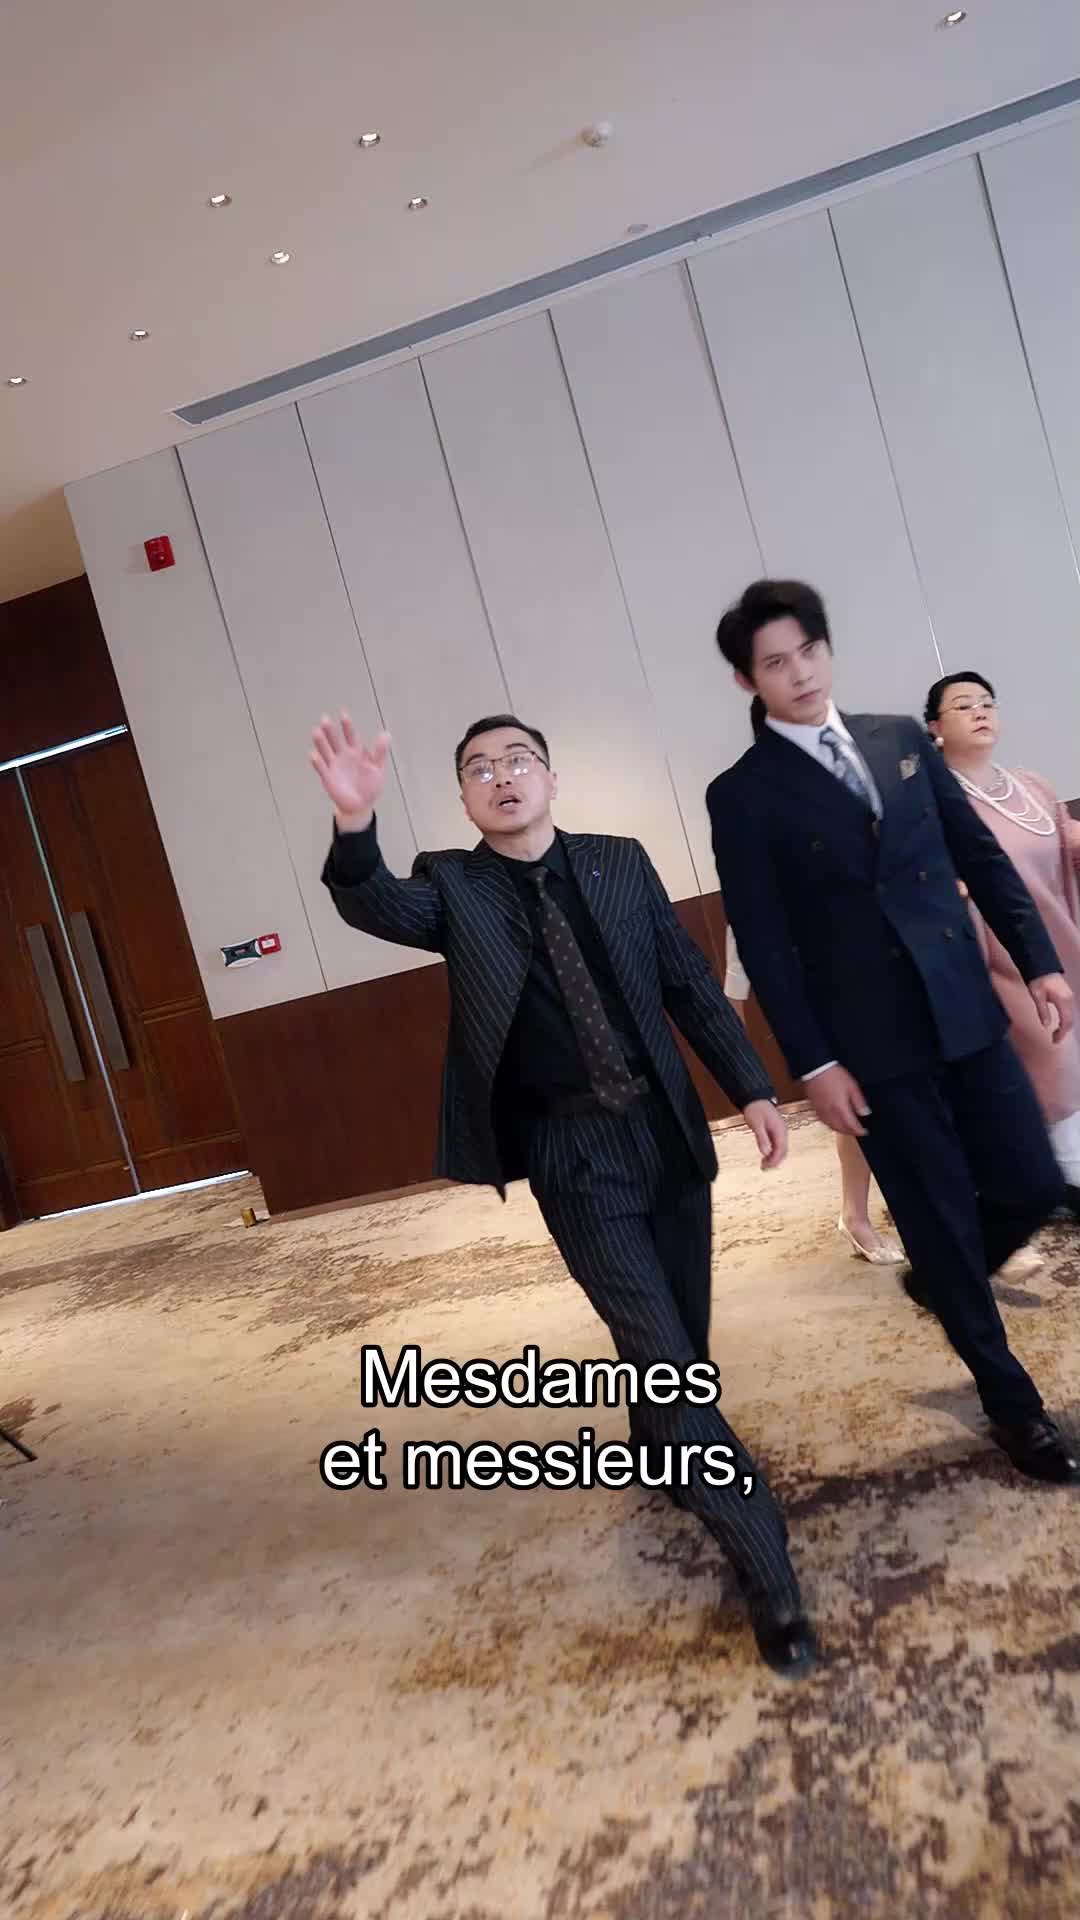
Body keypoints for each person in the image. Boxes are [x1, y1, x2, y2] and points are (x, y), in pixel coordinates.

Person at [312, 710, 816, 1674]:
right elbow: (372, 903)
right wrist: (352, 822)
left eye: (518, 761)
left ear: (550, 778)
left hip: (663, 1132)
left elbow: (687, 984)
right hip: (569, 1150)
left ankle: (660, 1446)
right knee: (666, 1355)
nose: (501, 777)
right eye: (479, 769)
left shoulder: (620, 861)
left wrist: (752, 1087)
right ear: (465, 799)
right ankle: (769, 1569)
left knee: (681, 1336)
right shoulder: (450, 885)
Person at [707, 579, 1079, 1487]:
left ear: (827, 649)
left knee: (1033, 1182)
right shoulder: (743, 795)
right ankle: (1013, 1406)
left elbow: (979, 856)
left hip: (966, 1008)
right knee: (938, 1214)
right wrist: (815, 1063)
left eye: (809, 651)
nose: (800, 673)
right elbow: (766, 943)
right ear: (748, 680)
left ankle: (943, 1279)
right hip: (870, 1045)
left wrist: (1039, 963)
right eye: (776, 663)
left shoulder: (900, 740)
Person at [726, 696, 904, 1267]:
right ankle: (861, 1216)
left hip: (889, 982)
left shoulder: (854, 785)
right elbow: (745, 939)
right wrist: (744, 1059)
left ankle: (892, 1211)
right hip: (824, 1003)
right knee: (865, 1114)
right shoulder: (756, 811)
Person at [926, 670, 1080, 1218]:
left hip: (1062, 941)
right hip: (998, 959)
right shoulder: (936, 803)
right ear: (934, 727)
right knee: (1051, 1061)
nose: (980, 711)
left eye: (987, 702)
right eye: (964, 705)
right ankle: (1058, 1178)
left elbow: (1063, 842)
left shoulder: (1030, 785)